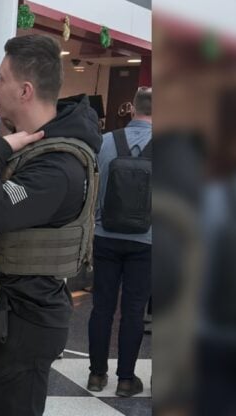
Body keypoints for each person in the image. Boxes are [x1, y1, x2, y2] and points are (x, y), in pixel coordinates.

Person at [0, 35, 102, 416]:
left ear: (25, 90)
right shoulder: (36, 150)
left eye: (1, 78)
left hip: (23, 326)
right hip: (3, 318)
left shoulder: (57, 167)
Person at [87, 87, 152, 397]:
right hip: (148, 241)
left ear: (133, 108)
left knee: (101, 307)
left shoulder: (106, 141)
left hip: (106, 236)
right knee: (134, 310)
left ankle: (96, 376)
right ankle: (126, 380)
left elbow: (95, 188)